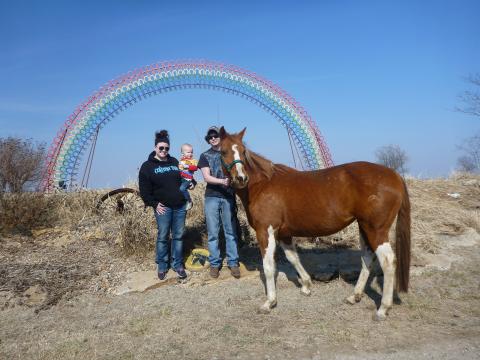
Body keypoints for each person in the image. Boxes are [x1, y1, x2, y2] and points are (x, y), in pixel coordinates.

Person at [138, 130, 188, 281]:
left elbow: (185, 178)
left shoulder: (174, 162)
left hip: (180, 206)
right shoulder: (147, 167)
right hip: (163, 208)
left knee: (178, 236)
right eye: (161, 148)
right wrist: (154, 204)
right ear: (155, 148)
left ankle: (177, 264)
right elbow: (144, 191)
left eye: (166, 148)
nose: (164, 151)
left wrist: (190, 184)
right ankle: (162, 265)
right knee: (163, 236)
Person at [198, 126, 241, 279]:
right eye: (210, 137)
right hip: (212, 196)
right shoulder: (204, 156)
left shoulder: (229, 151)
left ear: (220, 137)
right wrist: (222, 181)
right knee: (213, 233)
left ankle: (233, 262)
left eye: (215, 135)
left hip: (228, 196)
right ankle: (215, 264)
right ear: (208, 140)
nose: (213, 138)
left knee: (230, 231)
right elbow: (206, 177)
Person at [178, 143, 198, 210]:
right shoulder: (181, 160)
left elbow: (195, 168)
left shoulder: (193, 161)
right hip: (181, 178)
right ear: (182, 153)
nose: (190, 154)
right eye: (188, 152)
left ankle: (189, 201)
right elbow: (180, 169)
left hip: (188, 179)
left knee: (182, 189)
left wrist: (188, 166)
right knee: (179, 189)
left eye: (191, 152)